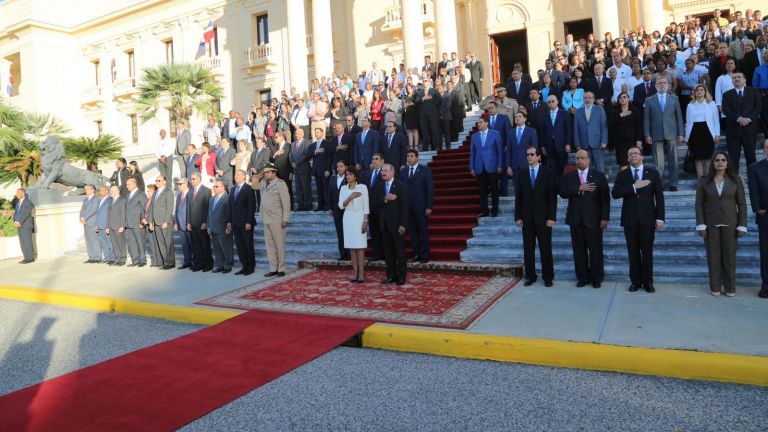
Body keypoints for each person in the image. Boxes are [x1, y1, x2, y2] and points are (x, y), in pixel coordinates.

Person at [611, 147, 665, 293]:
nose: (633, 155)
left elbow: (659, 197)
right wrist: (633, 187)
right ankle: (635, 282)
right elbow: (615, 193)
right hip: (629, 220)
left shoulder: (652, 173)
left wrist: (660, 218)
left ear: (642, 157)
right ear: (628, 159)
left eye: (635, 153)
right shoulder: (622, 175)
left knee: (647, 252)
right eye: (630, 154)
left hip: (648, 219)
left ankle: (648, 282)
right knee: (632, 252)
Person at [696, 152, 748, 297]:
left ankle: (730, 288)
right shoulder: (704, 181)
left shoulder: (736, 180)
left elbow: (742, 204)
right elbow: (699, 204)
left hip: (730, 223)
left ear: (727, 163)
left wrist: (742, 225)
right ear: (712, 163)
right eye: (717, 160)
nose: (720, 162)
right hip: (710, 224)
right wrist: (701, 224)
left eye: (723, 160)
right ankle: (715, 287)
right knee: (713, 257)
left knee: (729, 258)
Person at [560, 150, 610, 288]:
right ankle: (582, 278)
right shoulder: (568, 176)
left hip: (594, 219)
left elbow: (605, 199)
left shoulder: (599, 176)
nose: (579, 160)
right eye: (577, 158)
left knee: (595, 250)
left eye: (582, 158)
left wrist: (605, 218)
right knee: (579, 251)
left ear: (588, 160)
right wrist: (578, 188)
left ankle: (596, 279)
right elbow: (562, 192)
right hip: (575, 219)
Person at [514, 146, 557, 287]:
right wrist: (518, 216)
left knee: (545, 248)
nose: (529, 157)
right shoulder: (522, 173)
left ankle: (548, 276)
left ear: (539, 157)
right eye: (527, 154)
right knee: (528, 249)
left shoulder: (548, 173)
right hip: (527, 218)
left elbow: (552, 197)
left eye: (532, 154)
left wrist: (551, 217)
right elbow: (518, 197)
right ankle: (530, 276)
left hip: (544, 218)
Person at [643, 77, 685, 191]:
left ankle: (673, 184)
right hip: (655, 133)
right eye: (659, 83)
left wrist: (681, 133)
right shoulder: (649, 100)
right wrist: (647, 134)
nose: (662, 84)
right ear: (655, 85)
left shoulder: (674, 98)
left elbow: (679, 117)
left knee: (674, 160)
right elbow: (646, 119)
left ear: (668, 85)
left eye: (664, 82)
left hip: (672, 132)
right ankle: (659, 184)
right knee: (658, 163)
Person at [372, 164, 409, 285]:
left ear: (392, 172)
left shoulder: (400, 186)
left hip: (397, 225)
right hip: (384, 225)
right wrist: (385, 199)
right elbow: (375, 204)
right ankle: (391, 276)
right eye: (382, 171)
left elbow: (405, 207)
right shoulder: (379, 187)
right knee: (388, 253)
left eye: (385, 171)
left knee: (399, 252)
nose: (383, 173)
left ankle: (402, 277)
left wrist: (403, 224)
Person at [256, 163, 291, 277]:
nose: (265, 174)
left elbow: (286, 202)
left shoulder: (280, 184)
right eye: (264, 172)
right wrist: (258, 176)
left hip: (277, 218)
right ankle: (273, 268)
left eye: (267, 172)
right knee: (269, 245)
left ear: (274, 172)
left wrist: (285, 218)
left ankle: (281, 268)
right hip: (266, 217)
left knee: (279, 244)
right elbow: (253, 185)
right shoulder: (263, 182)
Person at [721, 72, 761, 169]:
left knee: (751, 158)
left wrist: (748, 119)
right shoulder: (727, 94)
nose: (737, 79)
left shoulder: (753, 91)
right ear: (732, 81)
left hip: (750, 130)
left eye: (739, 77)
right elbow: (725, 109)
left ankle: (753, 182)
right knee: (733, 160)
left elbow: (758, 107)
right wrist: (738, 119)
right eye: (734, 78)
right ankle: (735, 183)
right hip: (733, 132)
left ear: (745, 80)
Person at [400, 150, 434, 263]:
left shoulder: (425, 170)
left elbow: (430, 190)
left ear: (417, 158)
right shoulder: (403, 171)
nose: (409, 158)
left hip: (421, 206)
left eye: (411, 156)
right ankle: (416, 254)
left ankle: (425, 255)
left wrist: (429, 206)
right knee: (413, 232)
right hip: (408, 208)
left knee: (423, 231)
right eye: (408, 156)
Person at [340, 166, 370, 282]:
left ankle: (362, 273)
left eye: (350, 174)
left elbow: (366, 205)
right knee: (352, 246)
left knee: (360, 246)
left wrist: (365, 221)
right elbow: (341, 205)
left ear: (355, 176)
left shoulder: (362, 187)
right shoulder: (343, 188)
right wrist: (351, 196)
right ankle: (355, 272)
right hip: (348, 218)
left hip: (359, 218)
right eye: (347, 174)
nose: (348, 176)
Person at [470, 116, 503, 217]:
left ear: (486, 123)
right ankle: (485, 210)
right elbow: (472, 153)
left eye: (480, 122)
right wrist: (472, 167)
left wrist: (500, 165)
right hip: (479, 166)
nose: (478, 124)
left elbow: (500, 151)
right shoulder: (474, 136)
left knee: (494, 189)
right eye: (477, 123)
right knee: (482, 190)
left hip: (492, 166)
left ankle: (495, 210)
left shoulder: (495, 134)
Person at [685, 84, 721, 178]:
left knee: (708, 156)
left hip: (708, 132)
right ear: (694, 93)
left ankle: (708, 180)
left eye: (702, 90)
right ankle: (701, 182)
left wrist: (717, 134)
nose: (699, 91)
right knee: (697, 157)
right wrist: (687, 137)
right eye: (697, 90)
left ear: (705, 92)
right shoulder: (690, 105)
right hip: (694, 133)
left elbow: (716, 120)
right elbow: (688, 122)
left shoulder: (712, 104)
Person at [748, 139, 768, 298]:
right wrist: (757, 209)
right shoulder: (756, 168)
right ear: (764, 150)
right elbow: (753, 190)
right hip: (765, 216)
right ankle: (766, 285)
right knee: (765, 253)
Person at [573, 91, 609, 173]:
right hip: (583, 144)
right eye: (585, 98)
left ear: (593, 99)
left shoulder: (600, 110)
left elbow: (604, 127)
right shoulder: (578, 112)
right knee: (586, 170)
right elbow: (576, 129)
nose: (587, 100)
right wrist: (577, 144)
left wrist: (604, 141)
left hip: (598, 143)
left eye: (589, 98)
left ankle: (600, 185)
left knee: (600, 168)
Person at [229, 170, 256, 276]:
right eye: (235, 175)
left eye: (238, 175)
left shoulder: (248, 189)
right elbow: (230, 207)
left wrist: (249, 221)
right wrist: (229, 221)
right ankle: (244, 266)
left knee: (248, 245)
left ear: (244, 177)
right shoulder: (233, 189)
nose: (235, 176)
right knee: (240, 246)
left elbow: (251, 207)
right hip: (235, 223)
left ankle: (250, 266)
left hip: (245, 223)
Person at [538, 95, 572, 178]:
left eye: (553, 101)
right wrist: (542, 146)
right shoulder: (544, 116)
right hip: (549, 146)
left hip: (562, 145)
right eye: (549, 102)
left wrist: (568, 143)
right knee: (551, 170)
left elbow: (569, 130)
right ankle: (553, 188)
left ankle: (561, 188)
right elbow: (542, 132)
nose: (551, 103)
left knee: (561, 168)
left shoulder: (565, 114)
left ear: (557, 102)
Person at [610, 92, 643, 171]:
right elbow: (610, 123)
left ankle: (635, 181)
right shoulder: (615, 111)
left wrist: (639, 140)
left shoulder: (635, 111)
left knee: (634, 162)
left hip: (632, 140)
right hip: (619, 141)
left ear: (628, 99)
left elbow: (639, 126)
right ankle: (625, 181)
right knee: (623, 163)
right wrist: (621, 115)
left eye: (624, 97)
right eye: (620, 98)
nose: (622, 99)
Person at [187, 172, 212, 272]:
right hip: (193, 223)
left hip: (202, 223)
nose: (191, 181)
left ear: (199, 179)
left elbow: (207, 207)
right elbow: (188, 208)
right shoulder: (190, 191)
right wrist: (188, 221)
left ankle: (208, 264)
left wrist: (205, 221)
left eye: (193, 179)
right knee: (196, 245)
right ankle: (199, 263)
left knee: (205, 245)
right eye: (190, 179)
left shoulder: (206, 190)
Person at [148, 175, 175, 270]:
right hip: (156, 222)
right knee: (161, 243)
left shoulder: (168, 192)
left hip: (164, 222)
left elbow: (169, 208)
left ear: (164, 182)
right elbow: (152, 208)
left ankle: (170, 262)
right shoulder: (155, 193)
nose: (157, 182)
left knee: (168, 243)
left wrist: (166, 221)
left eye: (159, 180)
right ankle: (165, 261)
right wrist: (151, 222)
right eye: (156, 180)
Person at [487, 101, 513, 196]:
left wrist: (507, 145)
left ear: (496, 108)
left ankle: (503, 190)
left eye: (492, 108)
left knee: (502, 170)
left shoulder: (504, 118)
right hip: (490, 150)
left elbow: (509, 133)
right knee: (492, 171)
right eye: (489, 108)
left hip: (502, 148)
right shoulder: (486, 119)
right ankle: (494, 190)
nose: (490, 110)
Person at [507, 111, 538, 188]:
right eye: (516, 117)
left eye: (520, 116)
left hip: (528, 165)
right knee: (517, 191)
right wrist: (508, 166)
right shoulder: (510, 132)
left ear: (525, 119)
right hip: (515, 166)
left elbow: (534, 149)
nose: (517, 118)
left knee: (528, 190)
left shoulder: (531, 131)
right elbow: (508, 151)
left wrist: (534, 164)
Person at [207, 180, 233, 273]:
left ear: (223, 187)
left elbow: (229, 214)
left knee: (226, 248)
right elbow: (209, 213)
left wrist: (228, 226)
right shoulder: (212, 199)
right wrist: (209, 226)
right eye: (214, 186)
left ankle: (228, 265)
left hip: (223, 227)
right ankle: (219, 265)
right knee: (216, 248)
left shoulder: (227, 198)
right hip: (213, 227)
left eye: (216, 186)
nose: (214, 188)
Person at [328, 160, 350, 261]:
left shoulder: (349, 179)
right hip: (336, 209)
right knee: (340, 232)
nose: (339, 168)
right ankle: (342, 254)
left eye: (341, 166)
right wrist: (330, 208)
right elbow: (329, 194)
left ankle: (349, 254)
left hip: (347, 208)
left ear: (345, 167)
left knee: (348, 231)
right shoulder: (332, 179)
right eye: (337, 167)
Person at [309, 127, 333, 211]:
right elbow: (309, 154)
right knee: (319, 190)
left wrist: (328, 169)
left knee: (326, 189)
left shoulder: (327, 143)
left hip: (324, 170)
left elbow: (329, 157)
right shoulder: (313, 145)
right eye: (315, 132)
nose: (316, 134)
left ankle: (328, 206)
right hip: (316, 170)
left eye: (318, 132)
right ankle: (320, 205)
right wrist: (316, 151)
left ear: (322, 133)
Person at [124, 178, 147, 267]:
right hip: (129, 223)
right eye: (126, 184)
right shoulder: (128, 194)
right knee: (132, 243)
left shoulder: (141, 194)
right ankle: (135, 260)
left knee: (140, 242)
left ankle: (142, 260)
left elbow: (144, 208)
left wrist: (142, 221)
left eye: (128, 184)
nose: (127, 186)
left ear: (134, 184)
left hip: (138, 223)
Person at [288, 128, 312, 211]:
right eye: (296, 133)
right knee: (298, 188)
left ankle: (308, 205)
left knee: (306, 188)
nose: (296, 135)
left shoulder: (307, 142)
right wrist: (292, 163)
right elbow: (290, 155)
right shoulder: (292, 144)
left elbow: (306, 155)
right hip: (296, 170)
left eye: (298, 133)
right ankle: (300, 205)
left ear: (303, 134)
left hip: (304, 168)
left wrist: (297, 163)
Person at [416, 78, 442, 151]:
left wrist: (434, 106)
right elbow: (416, 101)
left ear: (429, 82)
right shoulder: (419, 92)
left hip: (433, 114)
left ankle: (435, 146)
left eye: (426, 81)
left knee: (434, 130)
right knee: (425, 132)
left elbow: (440, 100)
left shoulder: (434, 90)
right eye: (423, 81)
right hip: (423, 115)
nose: (424, 82)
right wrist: (423, 98)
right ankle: (425, 147)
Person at [12, 188, 35, 264]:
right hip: (19, 225)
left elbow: (27, 213)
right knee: (22, 242)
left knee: (27, 241)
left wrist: (20, 222)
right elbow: (16, 213)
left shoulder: (27, 202)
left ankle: (30, 258)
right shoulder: (17, 203)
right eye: (17, 193)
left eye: (18, 193)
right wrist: (15, 221)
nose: (17, 194)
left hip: (26, 225)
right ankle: (26, 257)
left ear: (23, 194)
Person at [174, 177, 192, 269]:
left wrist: (190, 222)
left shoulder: (191, 193)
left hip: (188, 224)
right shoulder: (179, 195)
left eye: (180, 184)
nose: (179, 186)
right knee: (184, 245)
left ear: (186, 184)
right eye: (178, 184)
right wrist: (176, 222)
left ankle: (194, 261)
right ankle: (187, 261)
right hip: (180, 224)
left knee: (192, 244)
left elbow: (192, 210)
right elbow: (177, 210)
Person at [106, 185, 127, 266]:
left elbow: (123, 214)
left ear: (118, 191)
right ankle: (117, 259)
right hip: (111, 227)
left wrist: (122, 226)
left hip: (119, 226)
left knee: (121, 244)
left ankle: (122, 259)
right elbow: (108, 215)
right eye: (110, 191)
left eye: (113, 191)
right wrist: (107, 226)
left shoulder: (122, 200)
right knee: (114, 244)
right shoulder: (110, 201)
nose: (111, 192)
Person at [79, 184, 100, 263]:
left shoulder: (96, 199)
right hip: (85, 223)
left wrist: (85, 218)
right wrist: (81, 218)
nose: (86, 191)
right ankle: (91, 257)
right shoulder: (85, 200)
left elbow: (93, 210)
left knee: (95, 239)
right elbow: (82, 210)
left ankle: (97, 257)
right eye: (85, 189)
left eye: (88, 189)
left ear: (93, 190)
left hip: (92, 222)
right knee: (88, 240)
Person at [250, 137, 271, 210]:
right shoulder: (253, 152)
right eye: (256, 142)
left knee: (263, 191)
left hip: (262, 173)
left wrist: (257, 169)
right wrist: (252, 168)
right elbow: (251, 163)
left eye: (259, 142)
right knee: (257, 192)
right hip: (255, 174)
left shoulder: (266, 151)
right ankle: (259, 206)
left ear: (263, 143)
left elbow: (265, 162)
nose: (257, 144)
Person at [94, 185, 114, 264]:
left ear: (107, 191)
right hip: (99, 226)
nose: (100, 192)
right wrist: (96, 224)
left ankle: (112, 258)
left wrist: (107, 225)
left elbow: (109, 214)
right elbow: (98, 214)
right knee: (104, 243)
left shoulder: (110, 200)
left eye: (102, 190)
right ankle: (107, 257)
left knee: (110, 243)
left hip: (106, 225)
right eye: (100, 190)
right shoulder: (100, 200)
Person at [403, 84, 421, 149]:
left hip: (414, 113)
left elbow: (416, 103)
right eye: (407, 89)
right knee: (409, 131)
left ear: (412, 88)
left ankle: (416, 146)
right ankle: (411, 146)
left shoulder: (415, 95)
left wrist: (409, 104)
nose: (408, 90)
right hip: (408, 114)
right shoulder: (405, 96)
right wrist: (409, 104)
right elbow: (404, 106)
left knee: (415, 130)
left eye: (409, 88)